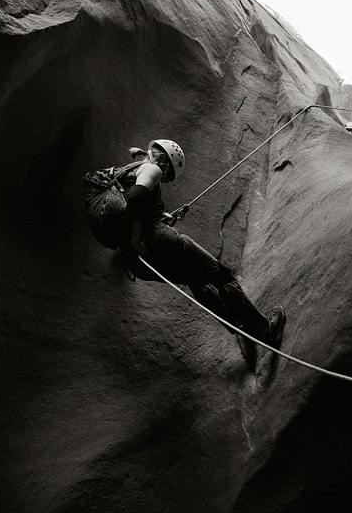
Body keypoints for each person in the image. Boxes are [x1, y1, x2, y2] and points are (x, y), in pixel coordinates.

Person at [120, 140, 285, 372]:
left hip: (142, 258)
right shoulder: (153, 168)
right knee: (221, 276)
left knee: (196, 281)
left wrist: (153, 221)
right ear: (166, 164)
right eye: (169, 175)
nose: (166, 179)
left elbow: (132, 206)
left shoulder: (128, 170)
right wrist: (137, 239)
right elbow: (137, 199)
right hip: (158, 241)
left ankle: (240, 330)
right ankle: (265, 331)